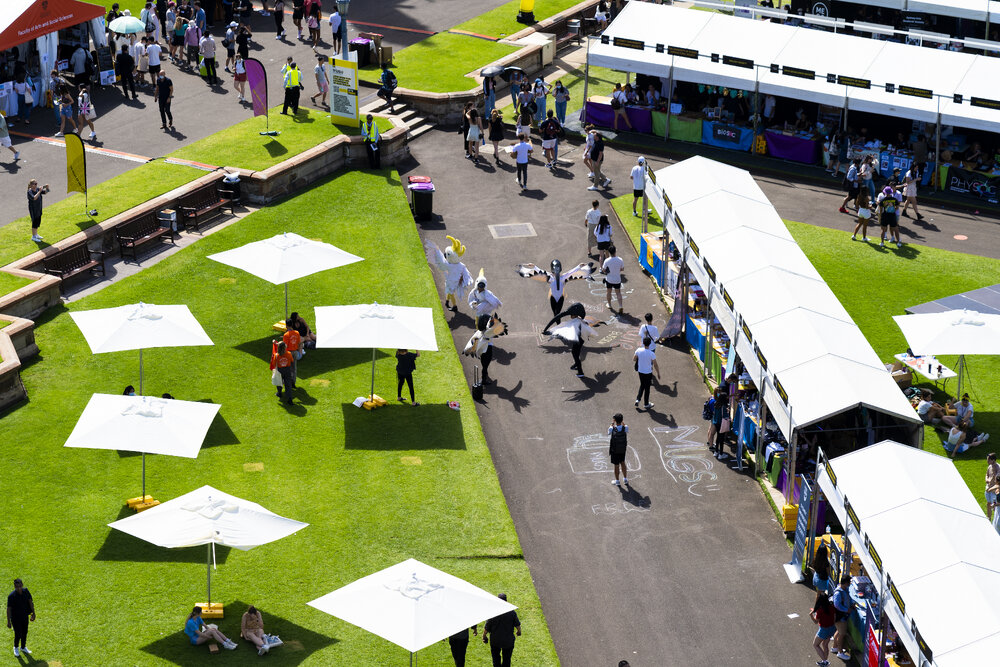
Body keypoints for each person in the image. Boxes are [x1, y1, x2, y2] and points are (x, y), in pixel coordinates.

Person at [483, 593, 520, 667]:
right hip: (508, 641)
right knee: (507, 660)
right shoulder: (511, 612)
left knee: (496, 659)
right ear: (506, 601)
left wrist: (484, 636)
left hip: (495, 641)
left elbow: (487, 627)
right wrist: (519, 632)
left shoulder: (493, 613)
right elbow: (517, 625)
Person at [6, 578, 35, 657]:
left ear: (22, 585)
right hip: (15, 618)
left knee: (25, 632)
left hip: (24, 616)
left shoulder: (26, 591)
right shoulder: (11, 596)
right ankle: (15, 647)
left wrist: (33, 613)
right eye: (16, 587)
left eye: (19, 586)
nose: (18, 588)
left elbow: (30, 602)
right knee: (18, 633)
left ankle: (23, 647)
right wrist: (8, 621)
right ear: (14, 587)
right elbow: (8, 609)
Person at [810, 592, 836, 666]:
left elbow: (815, 621)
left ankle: (825, 661)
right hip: (831, 628)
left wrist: (811, 615)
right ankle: (825, 660)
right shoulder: (831, 606)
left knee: (815, 645)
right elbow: (834, 618)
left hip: (824, 629)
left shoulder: (820, 610)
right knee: (825, 644)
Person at [633, 337, 659, 410]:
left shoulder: (638, 350)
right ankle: (646, 404)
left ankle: (638, 399)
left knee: (642, 385)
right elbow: (655, 364)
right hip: (648, 372)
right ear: (650, 344)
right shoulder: (651, 353)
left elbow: (634, 359)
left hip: (640, 371)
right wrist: (658, 373)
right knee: (647, 388)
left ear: (643, 343)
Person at [830, 576, 853, 662]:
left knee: (838, 632)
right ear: (846, 583)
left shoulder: (844, 589)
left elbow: (847, 599)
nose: (850, 584)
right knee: (842, 634)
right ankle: (840, 652)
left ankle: (834, 647)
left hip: (842, 616)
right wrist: (846, 610)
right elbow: (837, 605)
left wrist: (851, 605)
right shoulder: (838, 593)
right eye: (849, 582)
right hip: (841, 617)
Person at [706, 385, 729, 457]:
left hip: (716, 422)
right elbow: (725, 416)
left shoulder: (716, 404)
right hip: (721, 424)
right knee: (721, 439)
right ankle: (721, 454)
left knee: (717, 438)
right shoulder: (723, 406)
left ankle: (716, 452)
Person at [270, 340, 295, 404]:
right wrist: (293, 370)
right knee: (288, 384)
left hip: (280, 370)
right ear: (285, 347)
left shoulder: (276, 355)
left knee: (279, 382)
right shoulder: (289, 354)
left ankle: (279, 393)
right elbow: (292, 362)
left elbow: (274, 364)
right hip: (287, 370)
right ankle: (290, 399)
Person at [602, 243, 625, 314]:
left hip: (609, 279)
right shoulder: (620, 259)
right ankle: (620, 306)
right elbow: (622, 269)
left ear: (609, 252)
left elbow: (603, 270)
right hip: (617, 279)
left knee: (609, 292)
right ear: (615, 251)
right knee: (618, 293)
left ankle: (609, 304)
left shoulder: (607, 260)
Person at [608, 413, 630, 485]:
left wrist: (612, 423)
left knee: (616, 465)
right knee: (623, 462)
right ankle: (625, 479)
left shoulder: (612, 428)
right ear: (622, 420)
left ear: (615, 420)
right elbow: (625, 426)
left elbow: (609, 432)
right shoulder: (625, 427)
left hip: (614, 450)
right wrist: (623, 422)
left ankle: (617, 481)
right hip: (622, 449)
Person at [987, 453, 1000, 520]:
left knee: (995, 509)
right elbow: (996, 500)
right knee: (989, 503)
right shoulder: (989, 466)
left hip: (999, 512)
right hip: (989, 489)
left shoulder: (998, 468)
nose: (987, 461)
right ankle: (989, 518)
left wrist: (990, 489)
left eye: (988, 460)